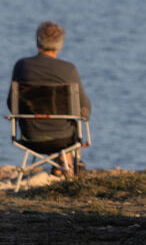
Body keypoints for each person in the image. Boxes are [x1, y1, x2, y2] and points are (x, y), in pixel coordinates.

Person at [9, 21, 92, 176]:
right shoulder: (68, 69)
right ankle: (67, 165)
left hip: (30, 137)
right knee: (74, 123)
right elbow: (84, 110)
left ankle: (62, 165)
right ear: (60, 45)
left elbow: (11, 104)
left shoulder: (22, 66)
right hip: (63, 140)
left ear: (37, 41)